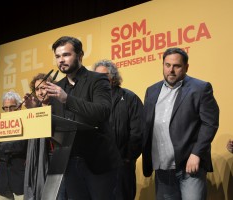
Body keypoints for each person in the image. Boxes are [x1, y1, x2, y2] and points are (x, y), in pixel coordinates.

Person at [44, 36, 122, 199]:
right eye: (58, 57)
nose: (61, 60)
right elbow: (55, 125)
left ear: (80, 55)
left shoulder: (98, 79)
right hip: (70, 162)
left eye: (66, 55)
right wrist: (35, 110)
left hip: (98, 163)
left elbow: (102, 111)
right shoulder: (57, 87)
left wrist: (67, 99)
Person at [142, 47, 219, 200]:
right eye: (167, 65)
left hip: (189, 168)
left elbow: (210, 123)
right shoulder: (151, 91)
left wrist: (197, 153)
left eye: (176, 66)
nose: (171, 70)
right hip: (162, 169)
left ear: (186, 67)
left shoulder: (200, 88)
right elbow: (147, 126)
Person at [93, 59, 143, 200]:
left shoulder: (129, 98)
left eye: (103, 75)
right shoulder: (91, 101)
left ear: (113, 76)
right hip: (97, 166)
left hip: (122, 165)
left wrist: (128, 157)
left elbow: (138, 131)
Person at [23, 73, 67, 200]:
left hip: (56, 159)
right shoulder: (34, 110)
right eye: (37, 89)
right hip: (37, 160)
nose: (40, 92)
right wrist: (32, 110)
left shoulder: (60, 107)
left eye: (43, 88)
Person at [0, 91, 27, 200]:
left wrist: (3, 147)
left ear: (19, 107)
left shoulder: (27, 122)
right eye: (5, 108)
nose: (8, 111)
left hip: (20, 180)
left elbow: (22, 146)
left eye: (12, 107)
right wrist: (10, 148)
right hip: (3, 182)